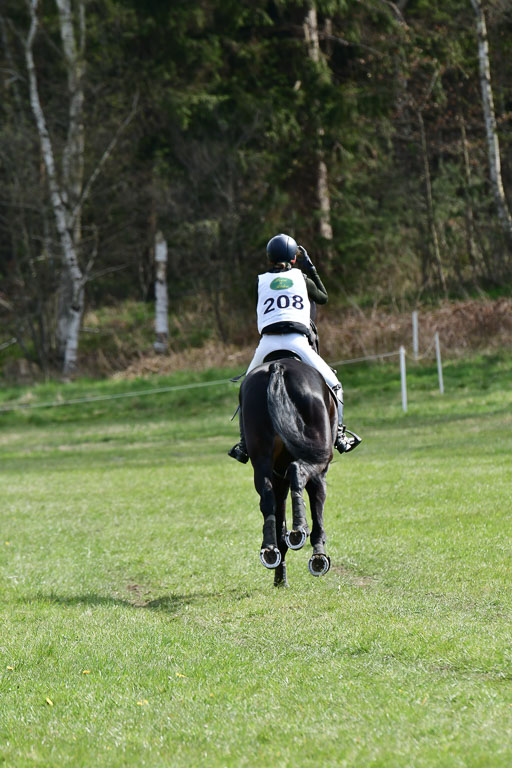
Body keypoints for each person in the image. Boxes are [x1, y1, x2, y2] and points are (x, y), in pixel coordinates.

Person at [229, 233, 362, 463]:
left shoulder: (259, 282)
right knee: (335, 385)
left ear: (270, 258)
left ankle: (243, 445)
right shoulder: (302, 279)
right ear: (293, 258)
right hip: (297, 341)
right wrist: (310, 268)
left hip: (267, 343)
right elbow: (323, 297)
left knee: (245, 390)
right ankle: (339, 435)